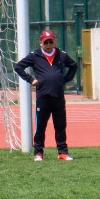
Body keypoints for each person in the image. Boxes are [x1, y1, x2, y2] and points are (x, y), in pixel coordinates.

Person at [14, 29, 78, 161]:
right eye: (46, 42)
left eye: (51, 42)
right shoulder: (35, 55)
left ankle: (62, 152)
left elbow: (74, 66)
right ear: (40, 43)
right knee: (41, 126)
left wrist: (65, 79)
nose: (48, 45)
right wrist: (31, 79)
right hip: (43, 97)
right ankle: (38, 153)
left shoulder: (61, 55)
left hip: (58, 97)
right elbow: (18, 67)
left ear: (55, 41)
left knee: (60, 126)